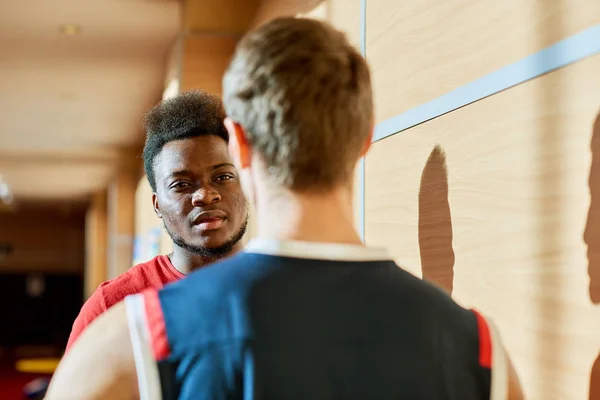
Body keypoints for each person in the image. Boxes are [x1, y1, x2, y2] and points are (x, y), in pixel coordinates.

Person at [46, 18, 523, 399]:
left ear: (241, 145)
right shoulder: (477, 349)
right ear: (364, 139)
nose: (204, 196)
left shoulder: (135, 341)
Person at [64, 91, 248, 351]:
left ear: (247, 184)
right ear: (157, 205)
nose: (205, 195)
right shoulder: (114, 306)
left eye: (223, 177)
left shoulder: (286, 291)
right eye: (181, 184)